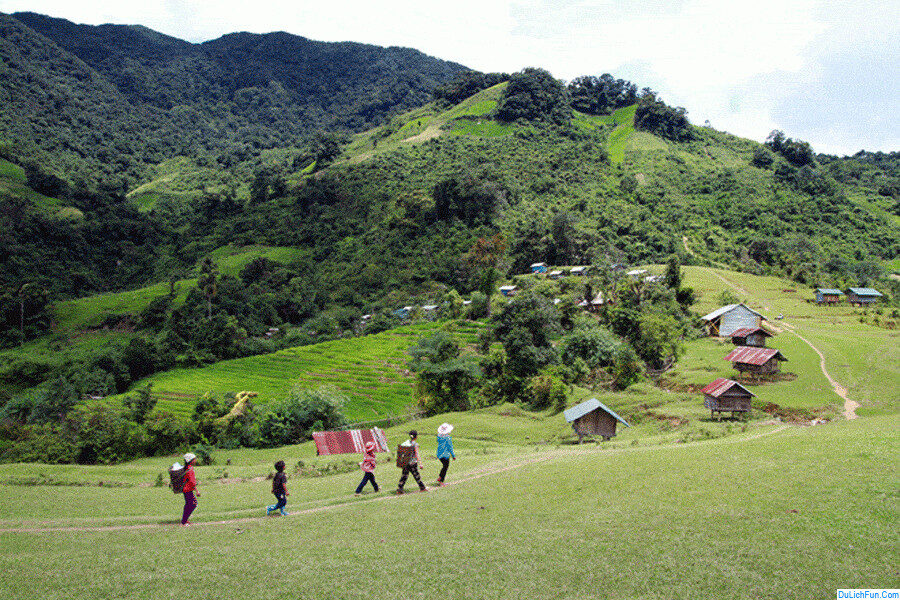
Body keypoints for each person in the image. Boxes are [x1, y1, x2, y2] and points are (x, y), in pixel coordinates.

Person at [396, 430, 426, 494]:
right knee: (416, 475)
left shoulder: (405, 443)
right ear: (416, 437)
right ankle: (422, 487)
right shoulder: (415, 444)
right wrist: (420, 463)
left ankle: (400, 488)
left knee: (404, 475)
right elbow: (417, 454)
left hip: (406, 462)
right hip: (412, 463)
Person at [181, 452, 200, 526]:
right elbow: (192, 481)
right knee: (193, 504)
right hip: (188, 489)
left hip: (186, 489)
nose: (195, 460)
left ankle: (185, 520)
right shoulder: (190, 469)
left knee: (189, 504)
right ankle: (184, 521)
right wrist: (197, 491)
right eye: (194, 459)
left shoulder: (187, 468)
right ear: (191, 460)